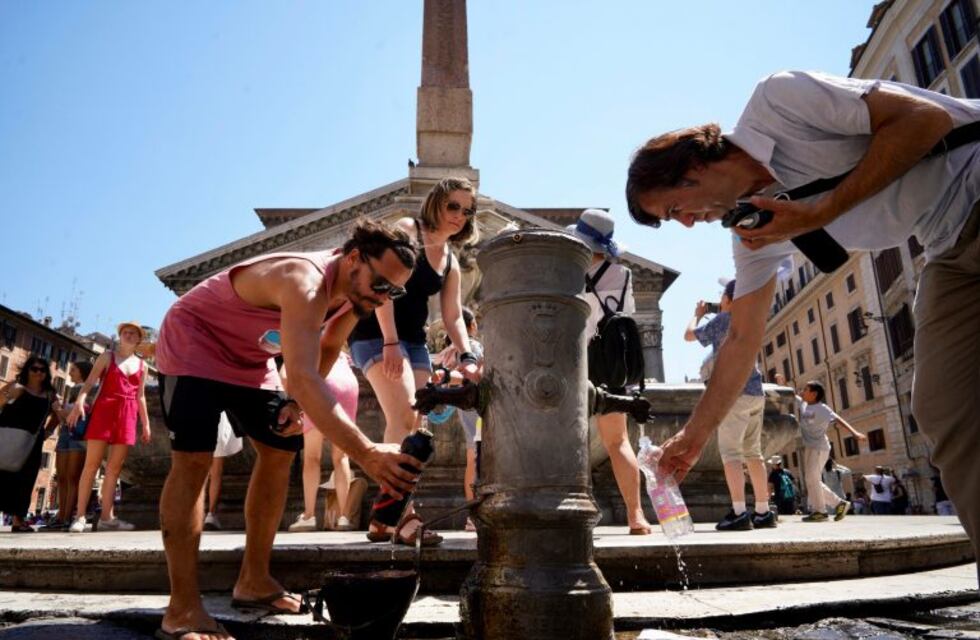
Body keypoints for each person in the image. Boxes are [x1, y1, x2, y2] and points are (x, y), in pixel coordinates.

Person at [626, 70, 980, 568]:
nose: (686, 223)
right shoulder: (755, 233)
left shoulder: (779, 100)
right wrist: (693, 437)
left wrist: (821, 212)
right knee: (942, 407)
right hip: (946, 247)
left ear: (691, 167)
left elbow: (927, 119)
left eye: (674, 208)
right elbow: (741, 339)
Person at [151, 220, 422, 640]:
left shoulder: (356, 296)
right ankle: (182, 609)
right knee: (194, 461)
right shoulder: (304, 280)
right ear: (353, 258)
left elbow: (327, 347)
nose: (384, 296)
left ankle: (254, 580)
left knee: (281, 446)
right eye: (381, 284)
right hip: (194, 340)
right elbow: (301, 376)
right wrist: (367, 453)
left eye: (395, 292)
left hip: (250, 359)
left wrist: (294, 404)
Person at [348, 177, 482, 547]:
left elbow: (453, 316)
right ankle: (403, 517)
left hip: (414, 341)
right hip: (376, 332)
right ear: (436, 202)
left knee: (417, 428)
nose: (459, 215)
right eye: (453, 206)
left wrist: (468, 356)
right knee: (403, 417)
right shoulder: (409, 229)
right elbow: (383, 284)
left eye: (467, 210)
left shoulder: (451, 258)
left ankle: (384, 517)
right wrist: (390, 340)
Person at [565, 209, 653, 535]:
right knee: (618, 442)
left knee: (566, 441)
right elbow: (626, 314)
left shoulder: (569, 275)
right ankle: (636, 516)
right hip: (611, 366)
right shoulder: (625, 275)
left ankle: (571, 514)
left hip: (576, 362)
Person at [685, 279, 774, 530]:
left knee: (731, 454)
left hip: (733, 394)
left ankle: (739, 512)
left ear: (727, 299)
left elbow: (688, 335)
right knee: (753, 453)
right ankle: (763, 511)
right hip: (756, 392)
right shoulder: (753, 320)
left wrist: (697, 314)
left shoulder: (724, 319)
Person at [67, 322, 151, 533]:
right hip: (105, 409)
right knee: (91, 465)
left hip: (128, 413)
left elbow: (140, 396)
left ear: (139, 339)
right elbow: (89, 383)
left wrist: (146, 424)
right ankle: (80, 516)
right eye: (125, 332)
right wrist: (79, 402)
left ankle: (107, 518)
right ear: (120, 336)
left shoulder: (143, 366)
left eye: (133, 333)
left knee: (114, 469)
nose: (128, 335)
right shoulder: (107, 357)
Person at [287, 351, 359, 532]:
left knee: (312, 458)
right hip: (348, 384)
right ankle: (344, 517)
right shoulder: (341, 347)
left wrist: (291, 403)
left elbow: (284, 375)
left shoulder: (302, 340)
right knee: (341, 457)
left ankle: (309, 516)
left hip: (320, 383)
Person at [432, 306, 484, 532]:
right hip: (480, 406)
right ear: (472, 326)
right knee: (480, 459)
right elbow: (476, 376)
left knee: (472, 459)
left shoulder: (451, 351)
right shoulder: (472, 347)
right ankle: (479, 514)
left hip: (466, 408)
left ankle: (472, 516)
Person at [0, 356, 60, 533]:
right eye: (34, 369)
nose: (38, 373)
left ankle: (18, 521)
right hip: (6, 436)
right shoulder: (15, 385)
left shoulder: (49, 394)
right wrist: (9, 395)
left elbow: (57, 415)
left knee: (26, 480)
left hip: (32, 442)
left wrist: (48, 432)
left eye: (42, 370)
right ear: (27, 370)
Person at [794, 381, 866, 522]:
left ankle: (820, 511)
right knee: (812, 480)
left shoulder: (822, 409)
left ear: (814, 394)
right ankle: (838, 504)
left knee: (812, 479)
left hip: (819, 448)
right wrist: (783, 383)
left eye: (806, 389)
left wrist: (855, 433)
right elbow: (794, 396)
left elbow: (838, 419)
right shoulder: (804, 404)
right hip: (811, 447)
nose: (802, 391)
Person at [50, 360, 94, 530]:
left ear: (82, 372)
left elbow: (74, 414)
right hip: (65, 434)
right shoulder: (72, 391)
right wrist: (60, 411)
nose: (70, 373)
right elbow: (65, 418)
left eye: (73, 370)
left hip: (78, 436)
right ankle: (61, 516)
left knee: (72, 477)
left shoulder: (87, 390)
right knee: (61, 477)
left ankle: (67, 517)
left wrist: (57, 409)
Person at [203, 413, 243, 531]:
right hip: (218, 420)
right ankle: (211, 513)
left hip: (201, 419)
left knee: (201, 471)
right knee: (215, 471)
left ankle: (201, 512)